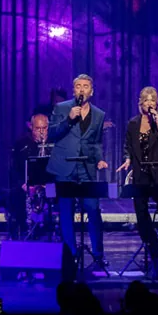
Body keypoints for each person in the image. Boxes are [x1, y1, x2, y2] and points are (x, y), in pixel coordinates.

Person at [46, 74, 109, 267]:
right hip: (64, 166)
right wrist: (69, 119)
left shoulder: (99, 114)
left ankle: (98, 255)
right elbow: (51, 134)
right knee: (66, 211)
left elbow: (96, 142)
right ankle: (70, 254)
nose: (82, 89)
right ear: (74, 91)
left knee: (93, 208)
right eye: (78, 86)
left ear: (92, 91)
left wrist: (100, 159)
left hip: (86, 167)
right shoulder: (62, 108)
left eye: (85, 86)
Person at [116, 86, 158, 261]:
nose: (149, 103)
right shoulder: (133, 123)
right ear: (140, 103)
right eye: (146, 100)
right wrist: (128, 159)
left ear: (157, 103)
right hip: (141, 171)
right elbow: (128, 144)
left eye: (152, 100)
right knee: (140, 211)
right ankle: (152, 246)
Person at [11, 113, 52, 239]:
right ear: (31, 127)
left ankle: (50, 230)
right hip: (28, 185)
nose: (41, 132)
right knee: (16, 195)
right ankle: (24, 230)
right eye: (38, 129)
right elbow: (14, 169)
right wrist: (23, 185)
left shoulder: (55, 144)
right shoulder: (22, 145)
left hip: (49, 185)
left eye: (44, 128)